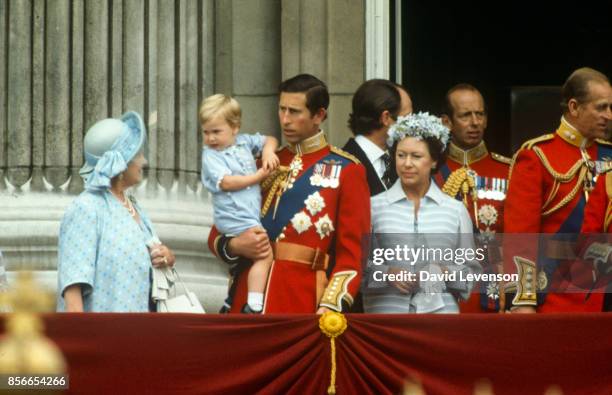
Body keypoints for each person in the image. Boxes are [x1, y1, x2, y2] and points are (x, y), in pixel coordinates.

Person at [207, 74, 370, 313]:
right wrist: (236, 245)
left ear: (319, 115)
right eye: (281, 109)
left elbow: (353, 253)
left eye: (294, 111)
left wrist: (330, 304)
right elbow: (217, 232)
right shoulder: (257, 165)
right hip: (246, 297)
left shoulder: (347, 170)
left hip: (302, 302)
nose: (285, 120)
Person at [504, 67, 612, 313]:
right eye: (601, 107)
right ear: (574, 107)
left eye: (610, 108)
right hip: (555, 293)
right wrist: (523, 301)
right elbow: (521, 237)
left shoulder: (608, 155)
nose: (609, 115)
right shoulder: (537, 155)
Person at [362, 112, 481, 313]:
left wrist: (444, 272)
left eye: (416, 156)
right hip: (386, 319)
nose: (407, 163)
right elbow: (354, 268)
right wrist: (387, 273)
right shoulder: (373, 207)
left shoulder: (455, 210)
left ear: (434, 161)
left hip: (441, 322)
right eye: (401, 155)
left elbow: (471, 274)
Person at [57, 111, 176, 312]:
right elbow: (72, 287)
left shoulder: (132, 205)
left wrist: (166, 257)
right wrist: (80, 340)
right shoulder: (87, 208)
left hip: (139, 333)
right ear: (119, 163)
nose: (144, 161)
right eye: (138, 154)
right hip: (102, 337)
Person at [199, 94, 279, 313]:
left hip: (246, 214)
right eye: (206, 132)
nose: (210, 138)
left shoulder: (242, 141)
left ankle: (248, 301)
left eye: (216, 131)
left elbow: (269, 139)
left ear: (234, 128)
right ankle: (253, 303)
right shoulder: (210, 156)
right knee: (264, 254)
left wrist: (268, 151)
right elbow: (226, 182)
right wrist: (259, 176)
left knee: (258, 255)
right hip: (236, 216)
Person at [436, 83, 511, 312]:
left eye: (480, 114)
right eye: (465, 115)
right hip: (442, 286)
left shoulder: (508, 171)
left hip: (495, 286)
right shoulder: (431, 171)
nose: (475, 122)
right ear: (446, 121)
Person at [343, 80, 413, 197]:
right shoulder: (343, 164)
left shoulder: (399, 160)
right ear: (386, 118)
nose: (412, 124)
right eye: (406, 117)